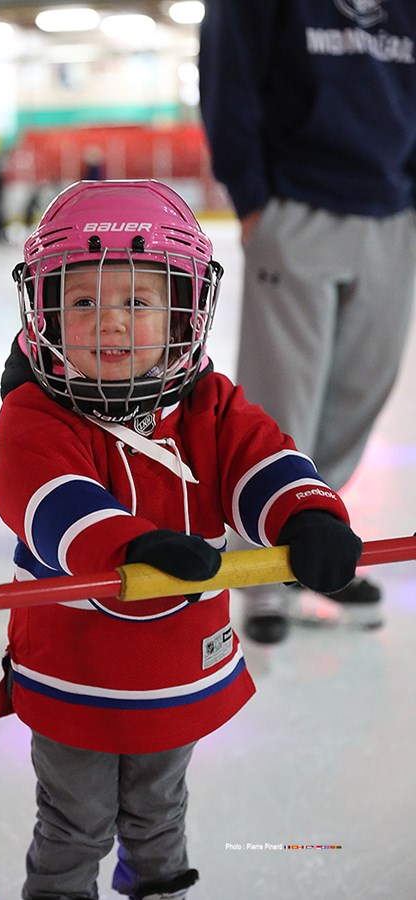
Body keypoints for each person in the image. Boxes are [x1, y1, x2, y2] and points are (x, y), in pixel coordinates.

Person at [0, 180, 362, 900]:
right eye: (83, 302)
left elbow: (259, 459)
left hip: (175, 662)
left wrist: (306, 516)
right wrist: (129, 548)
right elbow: (45, 498)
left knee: (160, 814)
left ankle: (159, 889)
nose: (110, 325)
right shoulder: (37, 413)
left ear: (184, 310)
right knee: (76, 821)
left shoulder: (207, 404)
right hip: (77, 669)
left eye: (137, 302)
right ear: (45, 312)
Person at [199, 1, 416, 643]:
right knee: (282, 399)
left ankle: (314, 541)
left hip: (393, 212)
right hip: (297, 205)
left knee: (361, 391)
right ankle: (260, 573)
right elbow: (228, 81)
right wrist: (253, 201)